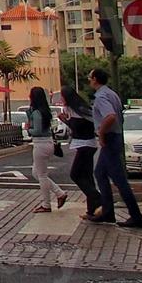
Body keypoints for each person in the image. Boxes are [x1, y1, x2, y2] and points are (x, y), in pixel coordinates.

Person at [88, 68, 142, 228]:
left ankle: (136, 216)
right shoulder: (112, 94)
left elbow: (111, 116)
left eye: (90, 78)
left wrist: (101, 133)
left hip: (110, 138)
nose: (89, 81)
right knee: (100, 173)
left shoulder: (101, 97)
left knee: (119, 180)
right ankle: (107, 212)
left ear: (95, 79)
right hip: (115, 136)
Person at [60, 84, 101, 220]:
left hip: (85, 145)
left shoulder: (79, 111)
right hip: (87, 144)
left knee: (75, 174)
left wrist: (65, 120)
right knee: (87, 177)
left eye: (62, 96)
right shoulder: (78, 108)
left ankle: (99, 199)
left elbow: (77, 128)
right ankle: (92, 210)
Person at [27, 86, 68, 213]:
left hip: (40, 144)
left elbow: (37, 131)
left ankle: (46, 204)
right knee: (36, 173)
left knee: (41, 175)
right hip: (48, 143)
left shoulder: (37, 113)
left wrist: (29, 129)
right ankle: (59, 193)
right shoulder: (45, 111)